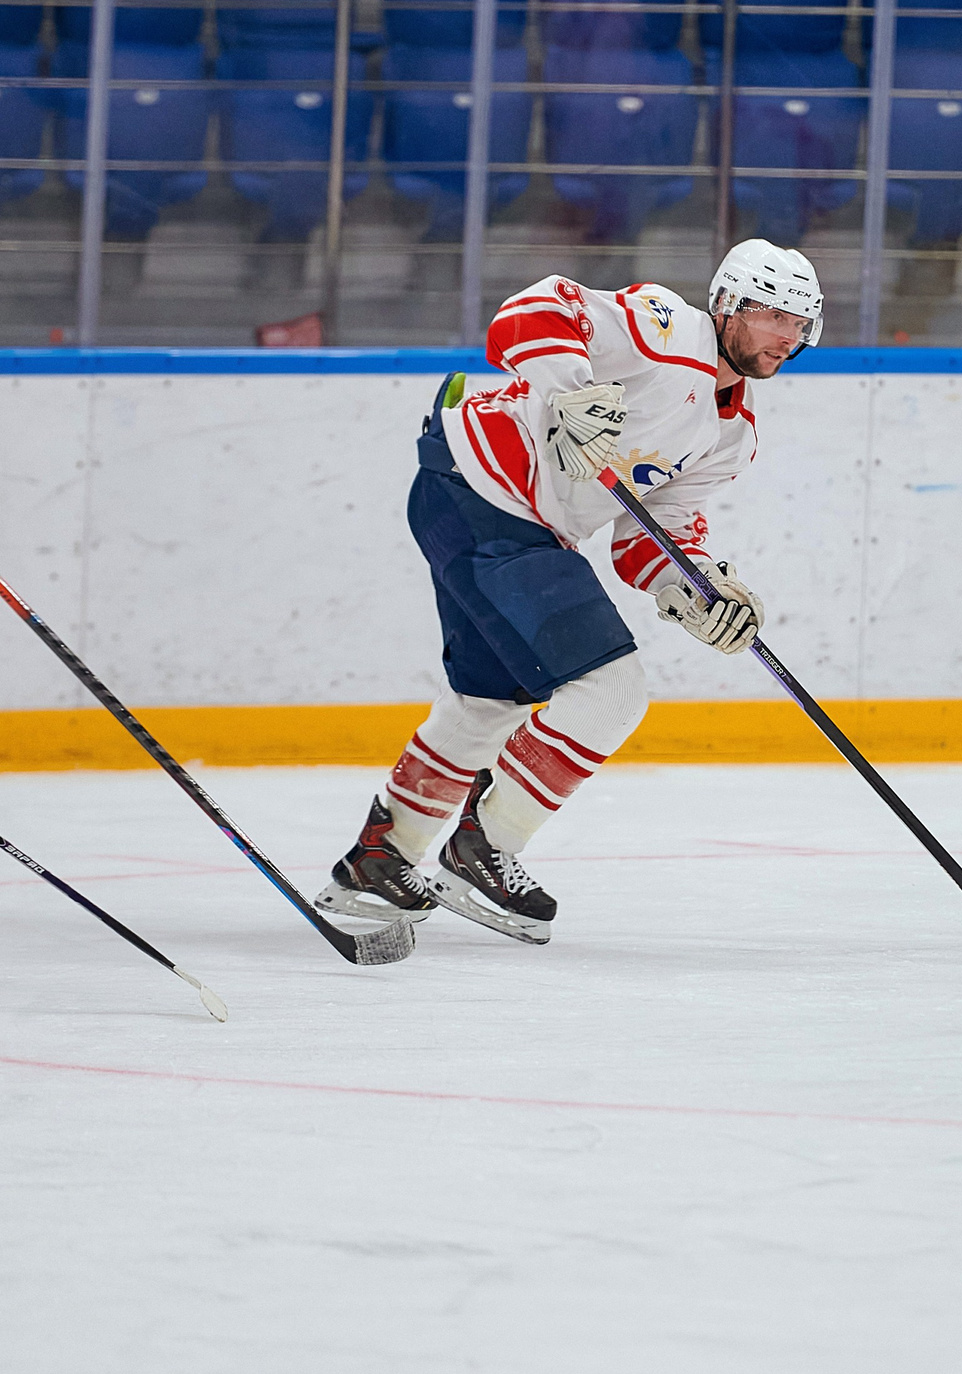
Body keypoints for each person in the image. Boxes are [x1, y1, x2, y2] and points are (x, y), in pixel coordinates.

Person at [316, 239, 820, 945]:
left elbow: (651, 536)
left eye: (800, 323)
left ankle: (379, 861)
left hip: (479, 507)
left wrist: (700, 591)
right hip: (485, 496)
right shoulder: (666, 328)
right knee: (612, 689)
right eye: (774, 316)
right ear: (729, 307)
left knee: (490, 701)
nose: (788, 336)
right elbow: (533, 308)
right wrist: (569, 394)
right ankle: (482, 846)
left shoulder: (733, 434)